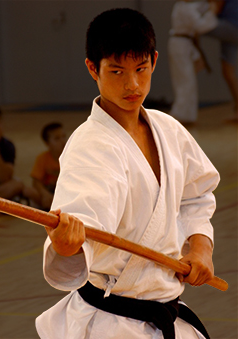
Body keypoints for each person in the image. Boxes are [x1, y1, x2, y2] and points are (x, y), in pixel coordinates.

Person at [36, 8, 220, 339]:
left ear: (154, 60)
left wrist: (200, 246)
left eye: (141, 68)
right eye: (117, 71)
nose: (132, 84)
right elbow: (82, 222)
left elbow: (197, 194)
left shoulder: (169, 130)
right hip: (112, 322)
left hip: (167, 310)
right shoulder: (88, 146)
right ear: (93, 68)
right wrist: (68, 244)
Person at [168, 0, 218, 124]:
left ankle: (185, 115)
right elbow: (201, 26)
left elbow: (199, 7)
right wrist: (212, 12)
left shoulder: (182, 6)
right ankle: (181, 115)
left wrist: (209, 6)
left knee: (185, 80)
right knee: (185, 80)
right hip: (181, 44)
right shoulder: (184, 8)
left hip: (183, 44)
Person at [206, 0, 238, 122]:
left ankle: (197, 60)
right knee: (228, 71)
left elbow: (216, 8)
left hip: (232, 28)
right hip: (231, 31)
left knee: (194, 27)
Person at [23, 122, 66, 210]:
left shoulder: (71, 156)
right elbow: (36, 182)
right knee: (28, 191)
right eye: (57, 138)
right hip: (48, 193)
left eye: (64, 136)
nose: (62, 141)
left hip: (65, 193)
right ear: (47, 143)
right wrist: (45, 194)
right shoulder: (42, 158)